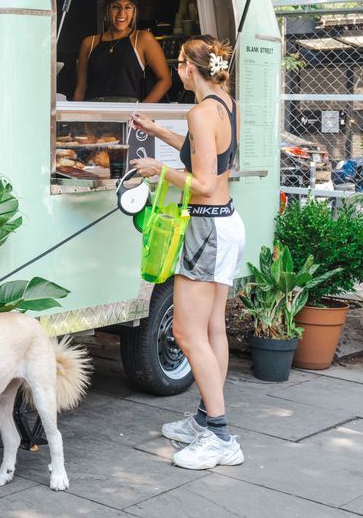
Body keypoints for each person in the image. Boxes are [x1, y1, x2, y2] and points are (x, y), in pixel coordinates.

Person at [130, 35, 245, 470]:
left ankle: (218, 435)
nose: (177, 68)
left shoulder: (200, 112)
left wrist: (159, 169)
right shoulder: (225, 104)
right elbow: (213, 157)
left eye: (179, 62)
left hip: (206, 226)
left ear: (186, 69)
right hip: (227, 224)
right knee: (213, 327)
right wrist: (157, 130)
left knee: (186, 333)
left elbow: (202, 183)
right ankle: (206, 419)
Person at [72, 0, 171, 103]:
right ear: (106, 10)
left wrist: (141, 111)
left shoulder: (142, 38)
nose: (122, 13)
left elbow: (165, 80)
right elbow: (81, 87)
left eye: (128, 7)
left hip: (127, 111)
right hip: (94, 111)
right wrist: (77, 118)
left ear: (134, 12)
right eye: (115, 7)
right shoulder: (89, 42)